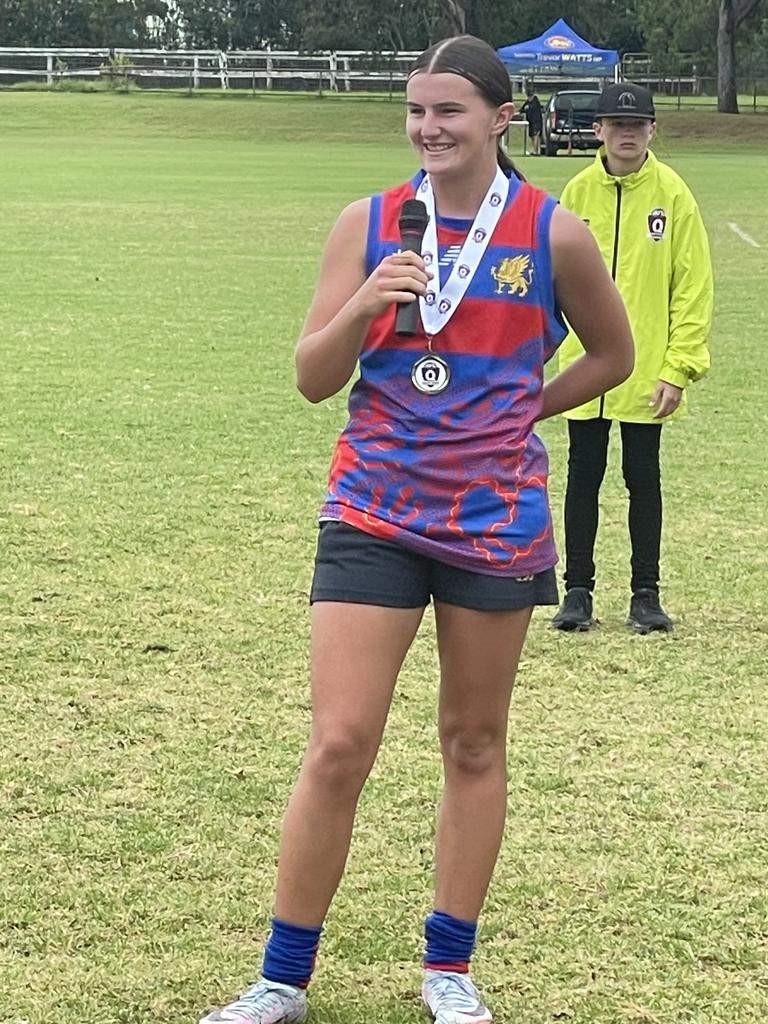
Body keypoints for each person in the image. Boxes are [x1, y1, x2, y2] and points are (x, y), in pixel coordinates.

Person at [199, 36, 633, 1024]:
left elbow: (614, 353)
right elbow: (313, 378)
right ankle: (280, 980)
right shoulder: (367, 224)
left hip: (494, 518)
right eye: (417, 112)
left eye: (451, 111)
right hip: (374, 507)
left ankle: (449, 969)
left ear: (499, 121)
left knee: (473, 741)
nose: (430, 128)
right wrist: (362, 302)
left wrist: (527, 405)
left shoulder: (551, 233)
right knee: (340, 742)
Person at [551, 82, 713, 635]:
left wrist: (679, 367)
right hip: (583, 366)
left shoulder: (673, 194)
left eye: (637, 124)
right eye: (616, 124)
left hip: (647, 369)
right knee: (582, 478)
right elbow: (550, 281)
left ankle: (646, 593)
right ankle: (577, 592)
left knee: (643, 479)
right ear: (597, 129)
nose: (627, 133)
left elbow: (692, 286)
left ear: (652, 130)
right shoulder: (576, 192)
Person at [520, 88, 543, 155]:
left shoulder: (536, 102)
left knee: (536, 135)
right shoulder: (527, 102)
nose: (529, 98)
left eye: (530, 96)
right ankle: (535, 150)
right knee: (532, 136)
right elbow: (522, 109)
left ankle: (536, 151)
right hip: (530, 122)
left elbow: (532, 109)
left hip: (537, 121)